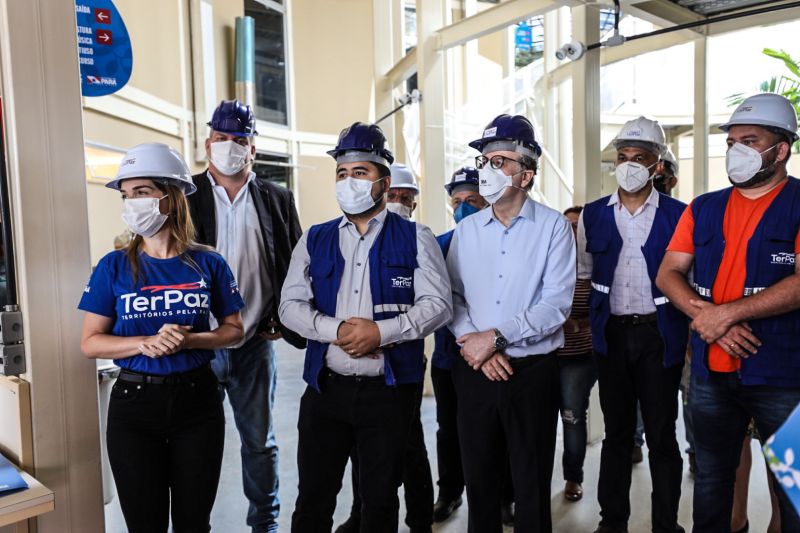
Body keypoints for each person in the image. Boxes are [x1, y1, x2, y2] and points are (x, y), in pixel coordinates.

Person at [279, 121, 452, 533]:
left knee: (378, 502)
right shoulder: (315, 239)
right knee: (313, 500)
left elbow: (438, 305)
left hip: (388, 395)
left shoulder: (416, 237)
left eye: (360, 173)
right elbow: (289, 306)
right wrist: (336, 330)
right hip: (326, 390)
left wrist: (381, 333)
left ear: (383, 182)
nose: (349, 181)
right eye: (342, 173)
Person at [78, 142, 245, 533]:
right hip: (134, 407)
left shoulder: (208, 262)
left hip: (197, 403)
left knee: (193, 522)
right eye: (126, 195)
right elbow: (90, 342)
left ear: (170, 198)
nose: (131, 203)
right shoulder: (113, 266)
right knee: (144, 523)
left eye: (141, 192)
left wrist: (190, 341)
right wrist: (143, 343)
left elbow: (234, 331)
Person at [656, 92, 800, 532]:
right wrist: (709, 318)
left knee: (791, 485)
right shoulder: (704, 206)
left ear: (782, 150)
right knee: (712, 480)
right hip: (710, 374)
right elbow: (669, 273)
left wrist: (725, 315)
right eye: (731, 141)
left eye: (750, 140)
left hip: (783, 375)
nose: (736, 150)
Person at [447, 114, 576, 533]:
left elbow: (555, 305)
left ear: (526, 175)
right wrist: (475, 345)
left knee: (531, 478)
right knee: (480, 478)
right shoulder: (467, 231)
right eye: (485, 161)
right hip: (474, 370)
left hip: (532, 374)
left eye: (499, 161)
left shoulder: (554, 228)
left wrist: (495, 339)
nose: (488, 169)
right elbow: (453, 297)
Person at [187, 99, 304, 533]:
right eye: (222, 139)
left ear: (254, 149)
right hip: (198, 345)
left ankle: (265, 523)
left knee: (260, 443)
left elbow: (293, 266)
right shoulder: (185, 196)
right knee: (196, 444)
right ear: (207, 144)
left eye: (240, 140)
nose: (230, 147)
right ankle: (195, 521)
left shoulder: (277, 198)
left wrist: (282, 318)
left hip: (255, 343)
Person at [578, 116, 689, 533]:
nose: (628, 165)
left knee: (662, 435)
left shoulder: (681, 215)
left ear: (657, 164)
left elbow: (689, 278)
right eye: (622, 157)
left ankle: (666, 523)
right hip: (612, 338)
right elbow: (585, 275)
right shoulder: (592, 216)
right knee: (617, 434)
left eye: (638, 157)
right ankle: (613, 522)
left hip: (660, 336)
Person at [335, 160, 434, 533]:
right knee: (366, 449)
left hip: (404, 364)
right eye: (393, 195)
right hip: (364, 367)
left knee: (409, 445)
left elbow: (430, 306)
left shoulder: (417, 240)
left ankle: (419, 519)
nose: (397, 201)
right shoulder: (353, 238)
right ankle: (362, 512)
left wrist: (381, 334)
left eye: (405, 197)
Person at [427, 166, 488, 523]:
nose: (463, 207)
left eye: (472, 201)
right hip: (449, 358)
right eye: (458, 201)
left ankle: (502, 497)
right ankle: (449, 493)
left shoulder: (501, 244)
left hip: (492, 355)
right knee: (448, 429)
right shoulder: (440, 244)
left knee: (496, 431)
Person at [558, 205, 597, 503]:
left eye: (577, 226)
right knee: (536, 422)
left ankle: (574, 477)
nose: (572, 231)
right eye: (567, 225)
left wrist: (576, 322)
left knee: (572, 417)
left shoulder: (594, 267)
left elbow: (604, 311)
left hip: (579, 356)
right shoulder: (548, 261)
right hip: (542, 356)